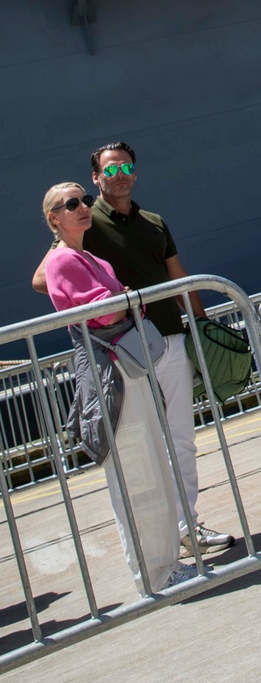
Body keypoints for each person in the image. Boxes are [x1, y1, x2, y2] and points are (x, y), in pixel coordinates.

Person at [33, 142, 232, 557]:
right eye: (110, 170)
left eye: (126, 167)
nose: (119, 175)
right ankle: (153, 546)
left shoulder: (154, 222)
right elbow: (43, 278)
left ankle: (186, 526)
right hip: (124, 351)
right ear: (96, 178)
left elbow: (177, 276)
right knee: (142, 448)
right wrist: (101, 297)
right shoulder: (85, 222)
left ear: (135, 172)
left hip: (168, 339)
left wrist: (201, 324)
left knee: (181, 438)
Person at [41, 183, 197, 595]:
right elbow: (106, 312)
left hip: (128, 366)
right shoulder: (62, 261)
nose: (82, 208)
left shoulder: (89, 257)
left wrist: (125, 302)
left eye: (84, 201)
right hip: (111, 373)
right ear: (53, 218)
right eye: (70, 204)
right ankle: (155, 573)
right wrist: (125, 300)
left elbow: (123, 306)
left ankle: (166, 564)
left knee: (152, 464)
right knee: (136, 471)